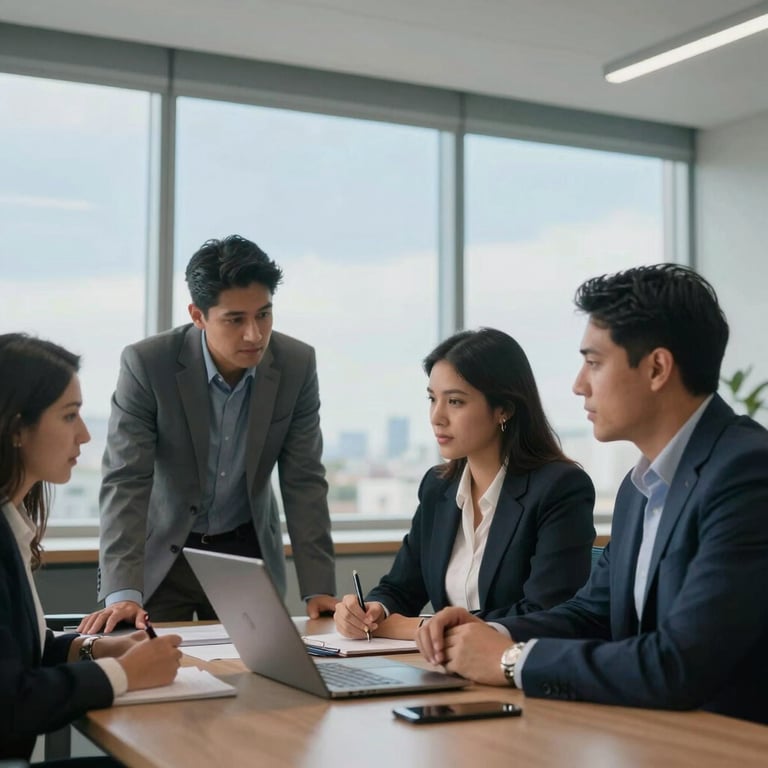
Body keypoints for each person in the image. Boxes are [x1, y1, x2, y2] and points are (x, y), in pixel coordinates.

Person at [415, 265, 768, 725]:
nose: (579, 384)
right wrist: (486, 630)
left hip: (729, 743)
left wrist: (511, 662)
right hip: (649, 734)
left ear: (657, 368)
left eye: (594, 362)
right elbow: (591, 615)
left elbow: (680, 663)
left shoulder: (745, 473)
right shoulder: (639, 487)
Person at [79, 235, 336, 635]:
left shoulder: (297, 364)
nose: (254, 334)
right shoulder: (148, 364)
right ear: (198, 315)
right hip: (163, 555)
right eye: (235, 320)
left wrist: (318, 587)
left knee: (261, 679)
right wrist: (123, 591)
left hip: (244, 553)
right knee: (156, 679)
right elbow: (126, 480)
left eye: (264, 315)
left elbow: (304, 480)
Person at [334, 328, 595, 641]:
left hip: (517, 673)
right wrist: (373, 610)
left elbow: (544, 613)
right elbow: (400, 588)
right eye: (433, 399)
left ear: (504, 410)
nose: (437, 417)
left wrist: (423, 628)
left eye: (455, 401)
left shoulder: (560, 488)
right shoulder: (437, 487)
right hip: (444, 670)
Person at [0, 334, 182, 763]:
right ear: (15, 429)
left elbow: (17, 656)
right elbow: (10, 704)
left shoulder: (11, 525)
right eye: (69, 417)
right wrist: (123, 674)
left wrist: (97, 648)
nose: (83, 435)